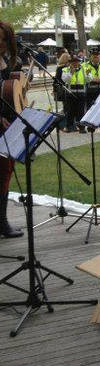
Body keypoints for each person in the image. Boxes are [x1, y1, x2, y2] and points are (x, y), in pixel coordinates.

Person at [0, 21, 22, 237]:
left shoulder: (6, 61)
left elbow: (8, 91)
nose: (0, 43)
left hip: (7, 125)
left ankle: (2, 221)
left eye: (4, 39)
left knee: (5, 173)